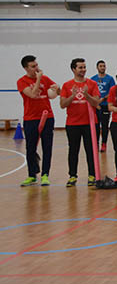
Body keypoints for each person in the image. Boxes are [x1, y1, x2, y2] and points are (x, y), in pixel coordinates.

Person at [17, 55, 60, 186]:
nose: (36, 68)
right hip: (31, 118)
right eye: (33, 66)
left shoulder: (45, 79)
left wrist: (57, 89)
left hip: (47, 117)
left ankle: (45, 175)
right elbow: (33, 94)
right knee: (30, 148)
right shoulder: (22, 81)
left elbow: (57, 93)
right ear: (26, 68)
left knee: (47, 147)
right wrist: (39, 79)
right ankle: (32, 175)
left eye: (36, 65)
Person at [59, 58, 101, 187]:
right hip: (72, 124)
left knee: (91, 149)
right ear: (73, 69)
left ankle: (92, 175)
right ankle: (72, 176)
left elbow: (96, 103)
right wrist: (72, 96)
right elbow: (62, 104)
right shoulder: (67, 85)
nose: (83, 70)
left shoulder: (92, 84)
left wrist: (87, 95)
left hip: (90, 123)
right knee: (73, 150)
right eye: (80, 67)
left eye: (84, 67)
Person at [91, 60, 115, 153]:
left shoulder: (110, 79)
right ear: (97, 67)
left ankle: (104, 143)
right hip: (95, 106)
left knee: (105, 125)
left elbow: (112, 92)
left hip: (105, 106)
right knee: (96, 125)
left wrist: (103, 98)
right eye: (101, 66)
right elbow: (90, 92)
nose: (102, 67)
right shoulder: (93, 79)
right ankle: (95, 143)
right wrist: (96, 102)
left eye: (104, 66)